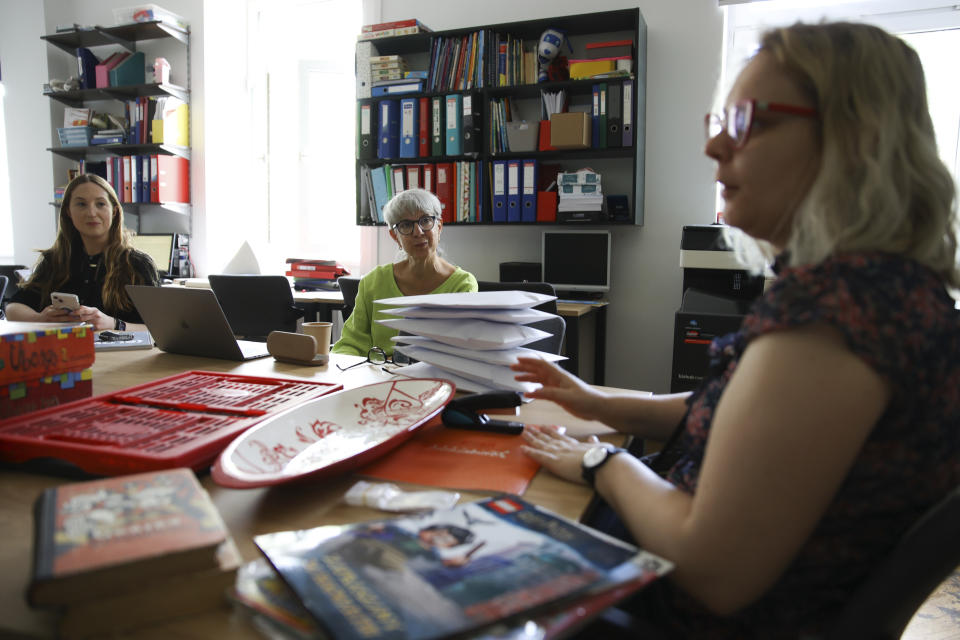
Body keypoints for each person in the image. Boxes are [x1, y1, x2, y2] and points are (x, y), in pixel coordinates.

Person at [512, 21, 960, 638]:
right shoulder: (888, 291)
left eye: (746, 120)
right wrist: (599, 402)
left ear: (855, 137)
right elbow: (738, 418)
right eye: (718, 123)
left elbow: (712, 571)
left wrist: (599, 460)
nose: (715, 148)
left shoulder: (837, 315)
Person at [332, 188, 477, 356]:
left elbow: (461, 353)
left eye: (425, 221)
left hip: (435, 379)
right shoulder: (373, 282)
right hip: (378, 377)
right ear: (395, 236)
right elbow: (350, 345)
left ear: (439, 227)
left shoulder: (462, 285)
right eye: (406, 225)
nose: (418, 232)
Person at [6, 174, 160, 331]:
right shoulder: (55, 260)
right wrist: (39, 319)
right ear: (68, 212)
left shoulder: (137, 264)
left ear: (114, 211)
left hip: (123, 354)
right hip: (67, 351)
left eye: (100, 204)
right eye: (81, 204)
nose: (91, 213)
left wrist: (115, 324)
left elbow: (161, 328)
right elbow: (13, 308)